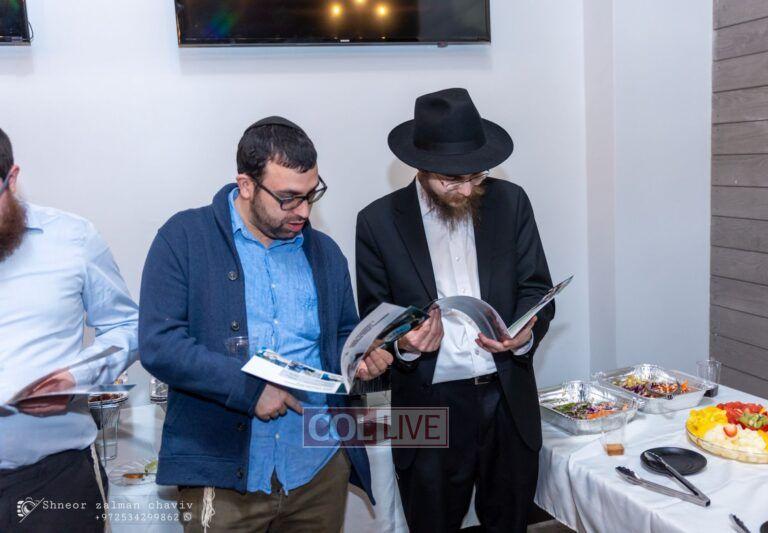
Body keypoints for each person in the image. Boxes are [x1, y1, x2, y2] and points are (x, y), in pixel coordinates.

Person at [139, 116, 390, 532]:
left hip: (317, 470)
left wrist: (359, 359)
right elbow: (159, 343)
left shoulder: (325, 253)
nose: (304, 211)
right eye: (289, 198)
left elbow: (341, 333)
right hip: (222, 477)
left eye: (312, 195)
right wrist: (249, 389)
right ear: (246, 185)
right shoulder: (184, 238)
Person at [356, 88, 556, 532]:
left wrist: (525, 333)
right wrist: (406, 345)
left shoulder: (511, 202)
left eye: (475, 176)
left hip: (506, 399)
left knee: (510, 523)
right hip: (425, 404)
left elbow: (536, 288)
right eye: (451, 179)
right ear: (421, 167)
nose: (466, 189)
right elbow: (374, 318)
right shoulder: (377, 222)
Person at [0, 127, 139, 533]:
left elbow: (127, 326)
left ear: (12, 178)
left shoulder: (72, 239)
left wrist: (77, 377)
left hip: (54, 481)